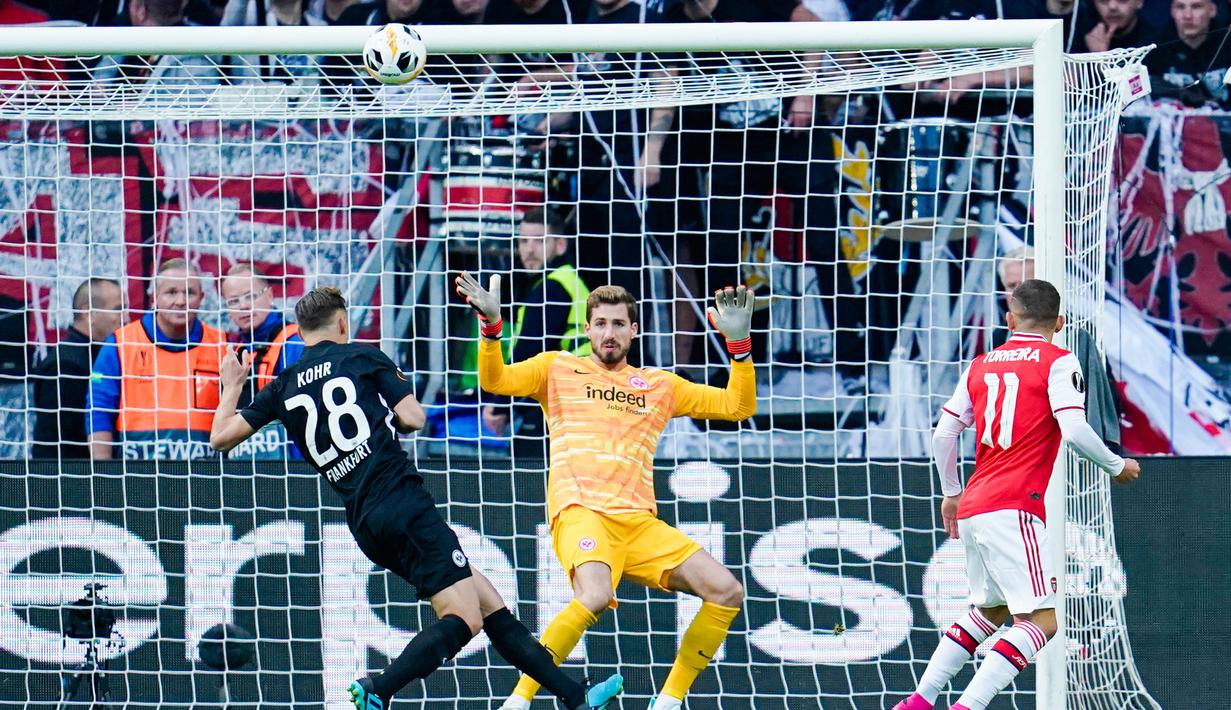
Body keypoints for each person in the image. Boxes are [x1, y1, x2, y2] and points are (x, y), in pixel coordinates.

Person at [208, 286, 624, 710]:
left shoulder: (283, 386)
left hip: (365, 521)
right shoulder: (362, 357)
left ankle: (575, 696)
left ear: (300, 331)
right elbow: (414, 417)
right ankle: (379, 689)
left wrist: (233, 385)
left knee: (490, 605)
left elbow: (221, 438)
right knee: (465, 618)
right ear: (342, 323)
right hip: (404, 503)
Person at [455, 274, 756, 710]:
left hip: (638, 524)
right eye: (600, 323)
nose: (609, 333)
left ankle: (668, 702)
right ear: (587, 328)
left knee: (727, 591)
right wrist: (492, 329)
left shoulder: (660, 386)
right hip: (582, 511)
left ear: (635, 330)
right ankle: (518, 703)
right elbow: (496, 381)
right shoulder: (557, 368)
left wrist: (740, 347)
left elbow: (738, 406)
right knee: (593, 595)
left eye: (618, 324)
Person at [892, 279, 1141, 710]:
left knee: (989, 611)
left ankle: (919, 701)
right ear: (1060, 322)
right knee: (1042, 621)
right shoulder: (1059, 361)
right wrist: (1117, 466)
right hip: (1014, 506)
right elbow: (1075, 429)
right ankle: (967, 707)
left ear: (1009, 319)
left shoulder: (980, 364)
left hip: (973, 505)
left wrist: (951, 492)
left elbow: (943, 434)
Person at [88, 259, 227, 460]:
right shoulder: (120, 344)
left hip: (205, 477)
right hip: (137, 476)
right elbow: (98, 410)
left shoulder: (223, 345)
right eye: (171, 292)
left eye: (190, 292)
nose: (181, 301)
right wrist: (103, 478)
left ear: (202, 298)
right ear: (155, 297)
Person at [482, 208, 592, 459]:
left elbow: (528, 352)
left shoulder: (551, 288)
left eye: (539, 240)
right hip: (579, 399)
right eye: (523, 241)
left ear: (561, 245)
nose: (529, 249)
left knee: (527, 479)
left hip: (564, 403)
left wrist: (498, 406)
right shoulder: (565, 281)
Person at [31, 278, 124, 459]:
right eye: (118, 309)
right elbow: (57, 443)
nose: (126, 317)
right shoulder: (65, 366)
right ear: (89, 313)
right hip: (71, 480)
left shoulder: (97, 356)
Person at [220, 264, 305, 459]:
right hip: (246, 463)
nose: (243, 306)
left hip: (293, 466)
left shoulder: (294, 343)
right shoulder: (233, 351)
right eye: (233, 301)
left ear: (270, 295)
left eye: (251, 296)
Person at [1146, 0, 1231, 107]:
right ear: (1172, 11)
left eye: (1196, 7)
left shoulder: (1227, 44)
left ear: (1212, 10)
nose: (1187, 16)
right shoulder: (1152, 49)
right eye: (1180, 7)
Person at [1075, 0, 1157, 53]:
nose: (1112, 6)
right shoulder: (1081, 36)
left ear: (1139, 2)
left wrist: (1101, 58)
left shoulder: (1154, 43)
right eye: (1103, 0)